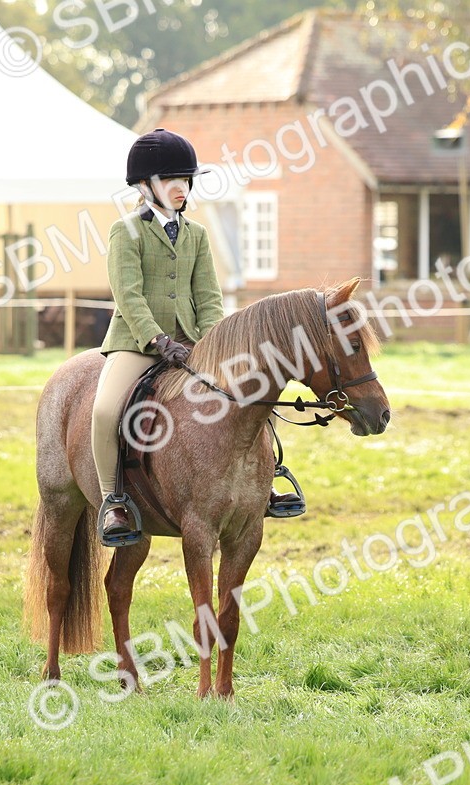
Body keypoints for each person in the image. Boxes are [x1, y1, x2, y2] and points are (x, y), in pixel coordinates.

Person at [94, 128, 303, 540]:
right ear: (144, 185)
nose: (183, 188)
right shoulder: (126, 232)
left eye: (186, 180)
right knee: (104, 412)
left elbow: (208, 296)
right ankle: (113, 501)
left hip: (192, 343)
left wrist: (215, 342)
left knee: (249, 388)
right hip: (139, 344)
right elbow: (129, 295)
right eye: (173, 180)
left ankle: (269, 479)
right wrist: (156, 340)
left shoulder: (197, 234)